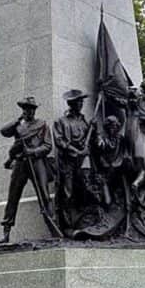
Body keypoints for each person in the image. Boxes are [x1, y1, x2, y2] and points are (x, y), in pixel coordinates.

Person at [0, 96, 60, 243]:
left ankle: (53, 228)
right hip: (20, 164)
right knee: (13, 197)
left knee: (45, 195)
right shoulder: (18, 126)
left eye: (31, 108)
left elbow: (47, 146)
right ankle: (6, 232)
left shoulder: (42, 124)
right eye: (25, 108)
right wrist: (17, 120)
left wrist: (32, 152)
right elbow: (3, 131)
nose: (28, 111)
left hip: (37, 162)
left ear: (35, 110)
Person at [53, 89, 92, 227]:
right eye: (78, 101)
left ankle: (82, 219)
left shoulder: (84, 121)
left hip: (82, 161)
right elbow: (59, 141)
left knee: (84, 189)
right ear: (71, 103)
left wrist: (95, 129)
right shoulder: (60, 122)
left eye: (82, 101)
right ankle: (66, 222)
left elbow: (91, 139)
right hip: (67, 162)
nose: (81, 103)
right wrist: (76, 151)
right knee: (67, 191)